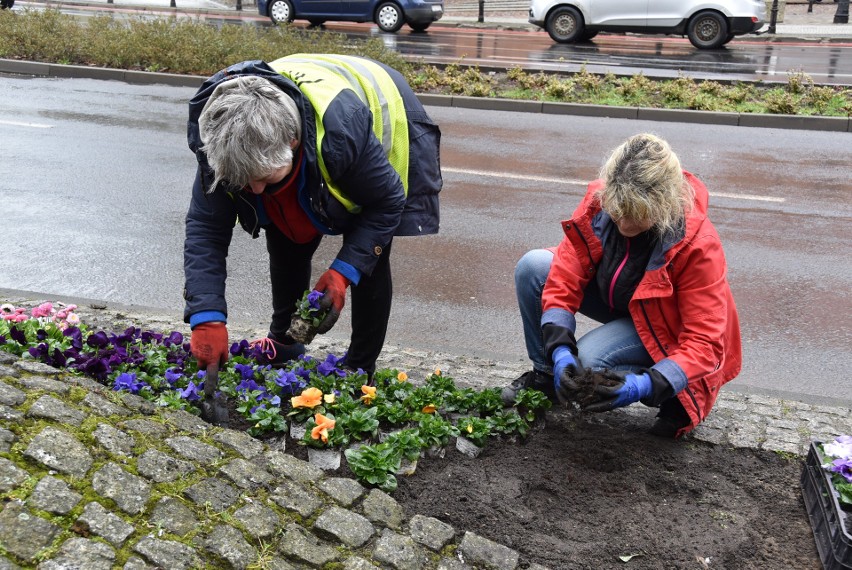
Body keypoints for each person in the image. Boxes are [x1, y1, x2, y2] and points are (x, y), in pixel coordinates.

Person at [183, 54, 442, 379]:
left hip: (381, 113)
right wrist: (206, 315)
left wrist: (342, 272)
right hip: (311, 122)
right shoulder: (218, 139)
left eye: (264, 176)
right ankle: (287, 341)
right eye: (244, 180)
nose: (256, 190)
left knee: (370, 258)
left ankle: (361, 366)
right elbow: (206, 228)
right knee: (284, 228)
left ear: (292, 143)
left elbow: (386, 203)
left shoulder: (339, 132)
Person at [501, 133, 741, 438]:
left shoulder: (697, 244)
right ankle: (547, 378)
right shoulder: (601, 202)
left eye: (637, 216)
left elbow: (705, 342)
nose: (624, 224)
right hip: (628, 305)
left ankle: (669, 394)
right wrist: (559, 349)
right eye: (618, 213)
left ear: (663, 204)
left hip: (670, 327)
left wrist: (648, 384)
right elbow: (564, 276)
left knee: (588, 365)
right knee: (534, 267)